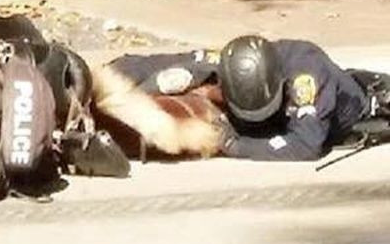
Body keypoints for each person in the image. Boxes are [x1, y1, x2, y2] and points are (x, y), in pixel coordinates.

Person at [108, 35, 390, 161]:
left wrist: (233, 145)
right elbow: (155, 62)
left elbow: (307, 145)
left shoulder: (309, 81)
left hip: (359, 103)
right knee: (179, 76)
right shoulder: (232, 59)